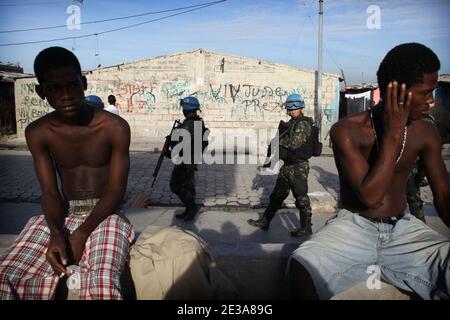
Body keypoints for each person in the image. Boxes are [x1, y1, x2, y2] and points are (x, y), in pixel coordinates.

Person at [288, 43, 450, 300]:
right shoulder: (347, 130)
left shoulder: (425, 132)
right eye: (427, 92)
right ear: (400, 92)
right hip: (354, 225)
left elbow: (443, 196)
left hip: (404, 228)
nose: (432, 100)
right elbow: (370, 197)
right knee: (301, 269)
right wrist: (393, 134)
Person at [0, 47, 134, 300]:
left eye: (72, 86)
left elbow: (116, 190)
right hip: (63, 212)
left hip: (107, 214)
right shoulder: (38, 132)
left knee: (101, 281)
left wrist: (81, 233)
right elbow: (49, 191)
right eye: (55, 89)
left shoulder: (114, 127)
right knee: (7, 275)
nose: (66, 96)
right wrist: (55, 233)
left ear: (83, 83)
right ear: (41, 92)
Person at [247, 93, 313, 237]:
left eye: (294, 108)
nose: (291, 111)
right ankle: (265, 221)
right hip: (288, 166)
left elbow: (294, 143)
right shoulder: (291, 123)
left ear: (300, 107)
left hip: (299, 167)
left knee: (301, 198)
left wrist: (277, 142)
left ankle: (306, 227)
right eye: (289, 109)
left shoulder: (303, 123)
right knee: (276, 196)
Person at [166, 96, 207, 221]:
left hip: (185, 161)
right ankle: (189, 209)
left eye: (184, 109)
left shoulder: (188, 126)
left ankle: (192, 207)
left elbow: (177, 148)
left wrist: (168, 147)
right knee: (188, 185)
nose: (183, 111)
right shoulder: (198, 122)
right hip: (191, 159)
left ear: (187, 110)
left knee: (175, 185)